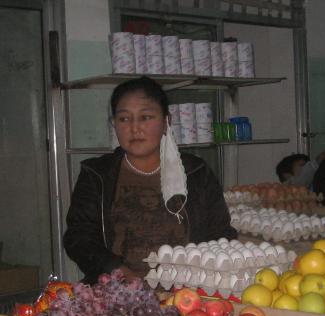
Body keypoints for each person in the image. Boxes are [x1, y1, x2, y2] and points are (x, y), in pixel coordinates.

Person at [63, 76, 236, 283]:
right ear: (114, 124)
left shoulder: (195, 172)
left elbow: (220, 234)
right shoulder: (97, 174)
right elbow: (79, 238)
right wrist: (116, 270)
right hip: (116, 292)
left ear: (166, 122)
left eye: (145, 117)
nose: (134, 128)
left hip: (187, 292)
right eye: (124, 119)